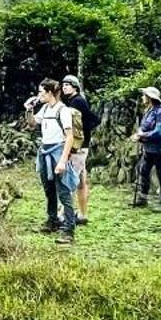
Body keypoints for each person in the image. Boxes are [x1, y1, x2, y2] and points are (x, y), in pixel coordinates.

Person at [24, 78, 82, 243]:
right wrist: (29, 109)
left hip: (58, 151)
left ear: (50, 93)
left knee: (63, 191)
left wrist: (63, 161)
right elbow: (32, 124)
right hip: (45, 151)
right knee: (49, 189)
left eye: (41, 92)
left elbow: (69, 137)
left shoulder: (62, 111)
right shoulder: (45, 109)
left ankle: (69, 230)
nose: (39, 95)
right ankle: (52, 220)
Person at [60, 75, 99, 224]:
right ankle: (82, 214)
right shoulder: (73, 101)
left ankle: (64, 214)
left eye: (68, 85)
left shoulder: (77, 102)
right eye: (63, 85)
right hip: (82, 145)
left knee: (71, 179)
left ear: (75, 87)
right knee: (80, 180)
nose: (64, 87)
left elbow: (79, 124)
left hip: (79, 146)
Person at [132, 86, 161, 207]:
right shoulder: (149, 111)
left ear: (150, 98)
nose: (142, 97)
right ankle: (143, 198)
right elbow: (144, 127)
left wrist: (142, 135)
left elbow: (159, 131)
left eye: (144, 95)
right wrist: (138, 135)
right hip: (149, 149)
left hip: (160, 149)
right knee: (144, 171)